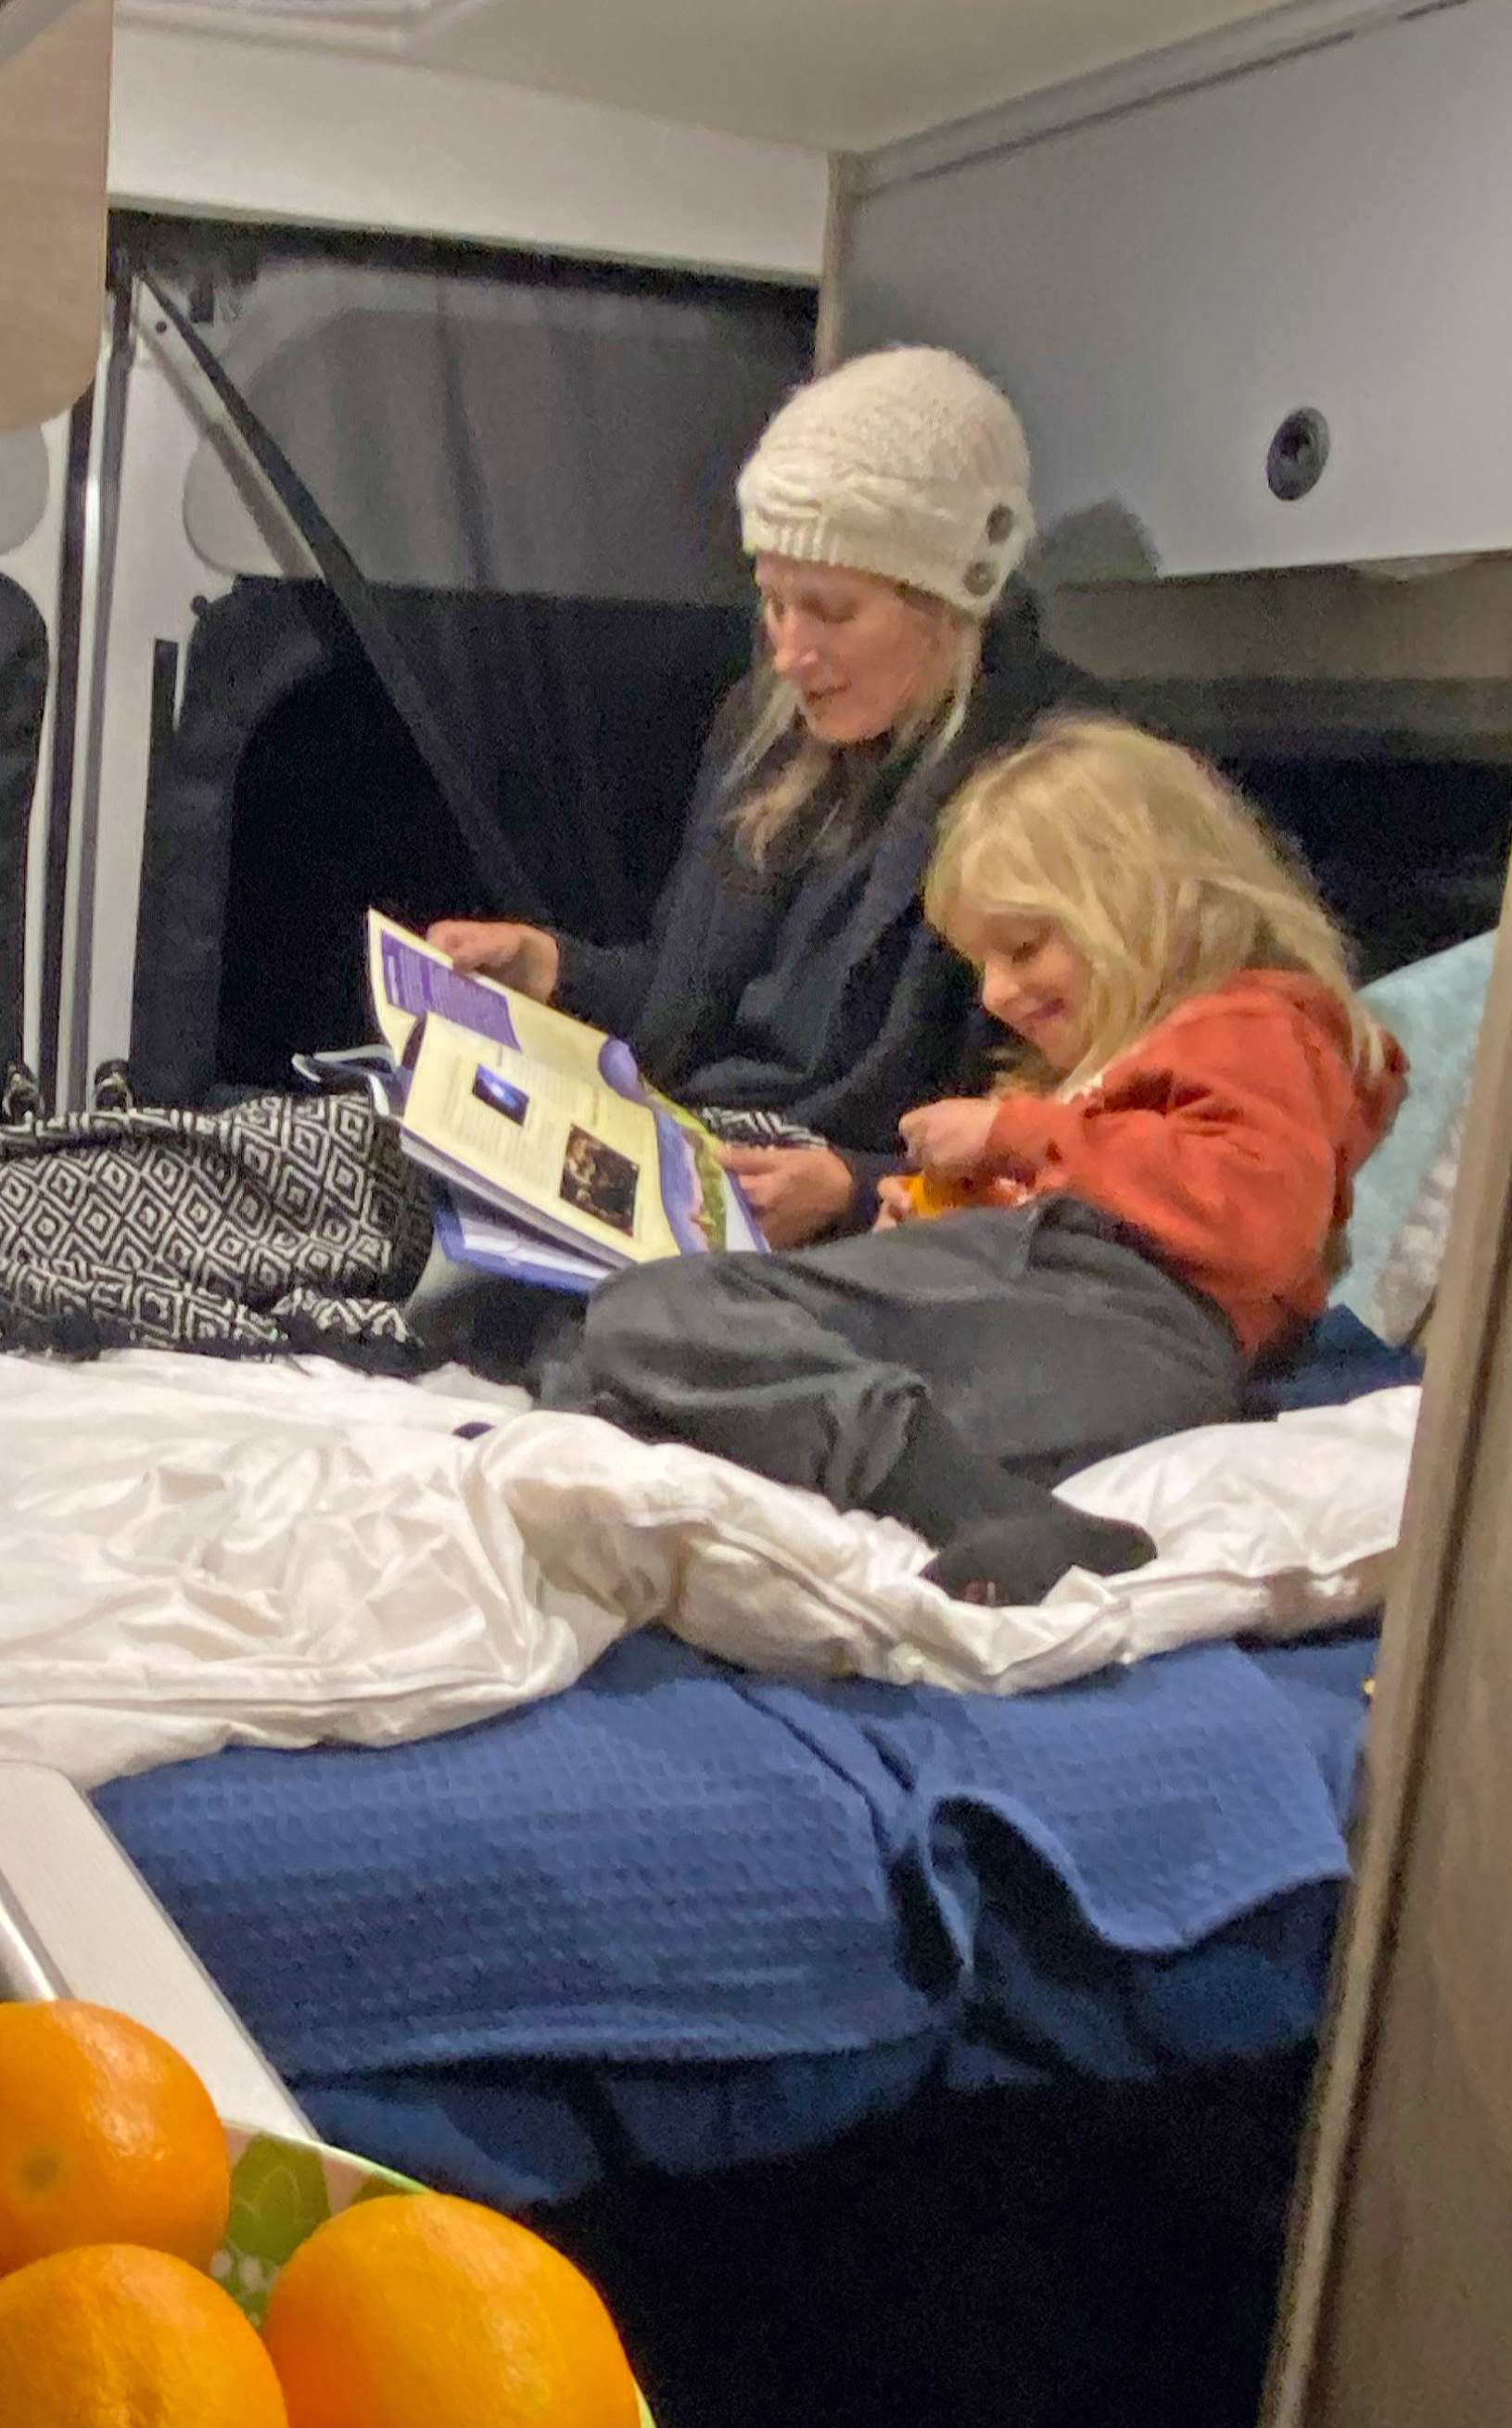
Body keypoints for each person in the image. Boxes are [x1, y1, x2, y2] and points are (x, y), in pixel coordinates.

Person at [551, 721, 1408, 1606]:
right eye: (984, 964)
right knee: (600, 1375)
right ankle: (968, 1496)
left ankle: (955, 1499)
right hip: (1085, 1347)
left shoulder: (1252, 1025)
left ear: (1142, 901)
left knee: (655, 1309)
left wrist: (1013, 1138)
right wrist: (942, 1219)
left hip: (1129, 1320)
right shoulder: (1104, 1077)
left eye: (1025, 948)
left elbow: (1257, 1214)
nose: (997, 994)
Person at [429, 342, 1092, 1250]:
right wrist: (553, 970)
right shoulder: (765, 732)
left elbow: (1084, 1121)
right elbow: (682, 1010)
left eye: (830, 610)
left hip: (817, 1201)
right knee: (337, 1141)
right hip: (675, 1138)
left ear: (949, 598)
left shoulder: (1054, 778)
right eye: (774, 604)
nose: (790, 652)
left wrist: (857, 1190)